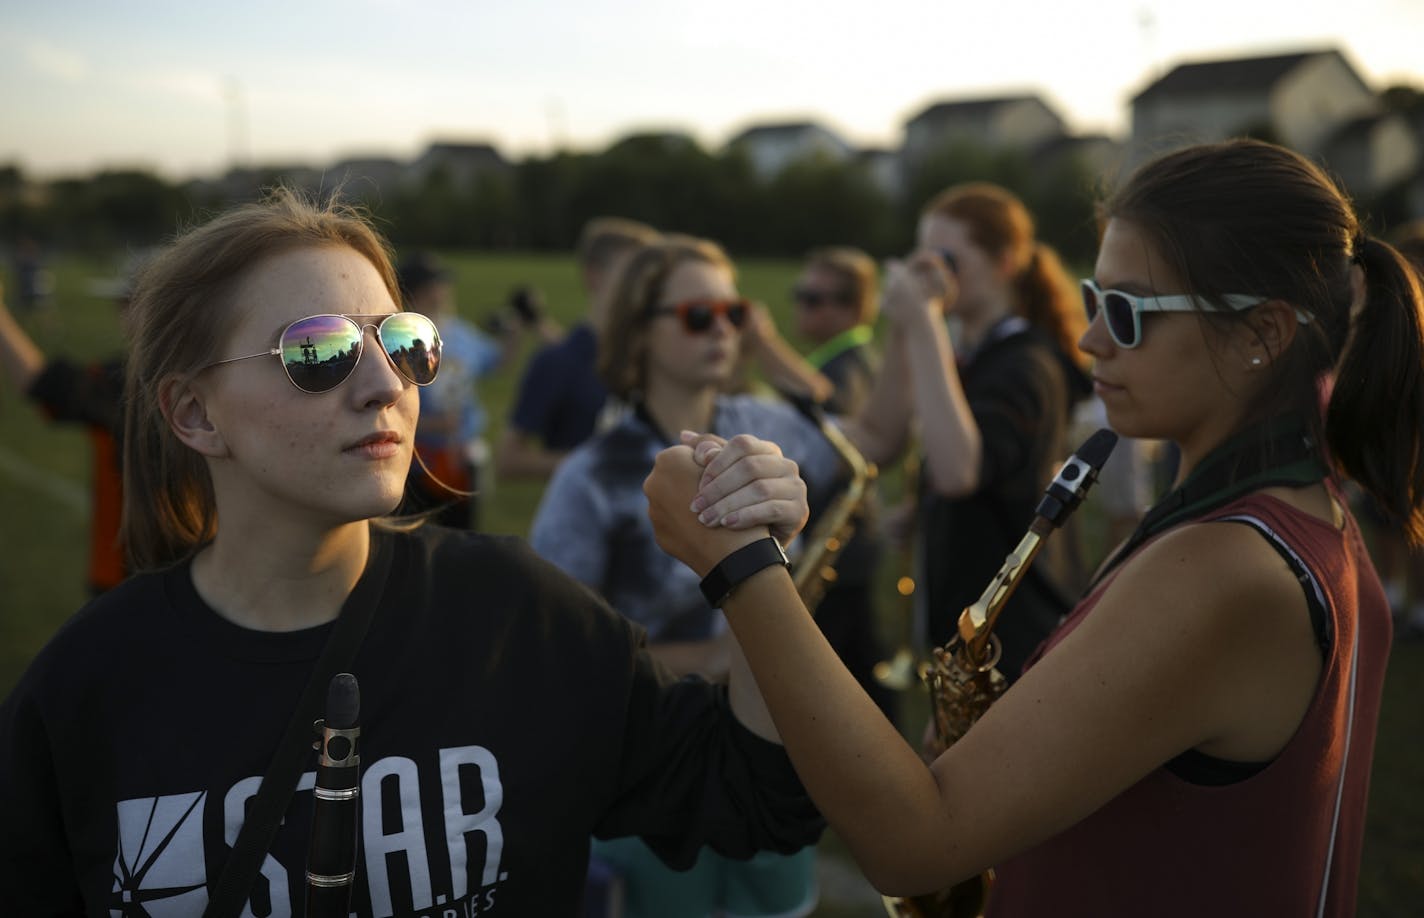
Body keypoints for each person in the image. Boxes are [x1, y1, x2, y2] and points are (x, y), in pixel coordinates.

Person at [644, 138, 1420, 916]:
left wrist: (740, 564)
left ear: (1262, 334)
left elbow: (915, 844)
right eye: (1093, 300)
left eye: (1126, 312)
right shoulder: (1307, 515)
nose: (1090, 339)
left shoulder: (1224, 565)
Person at [0, 189, 826, 915]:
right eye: (317, 352)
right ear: (194, 415)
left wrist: (754, 563)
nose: (387, 386)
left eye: (403, 343)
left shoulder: (516, 618)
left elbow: (754, 793)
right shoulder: (85, 693)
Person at [529, 235, 841, 918]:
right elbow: (551, 658)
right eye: (699, 315)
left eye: (734, 312)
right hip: (657, 769)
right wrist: (712, 655)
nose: (725, 330)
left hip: (777, 735)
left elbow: (865, 449)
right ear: (638, 330)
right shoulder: (592, 474)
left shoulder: (762, 424)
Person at [842, 183, 1092, 680]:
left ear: (1006, 261)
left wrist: (924, 320)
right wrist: (927, 509)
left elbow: (960, 471)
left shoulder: (1027, 364)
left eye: (948, 259)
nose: (934, 274)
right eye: (924, 257)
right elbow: (987, 467)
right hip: (975, 625)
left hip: (1016, 636)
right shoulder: (977, 354)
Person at [494, 217, 660, 480]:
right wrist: (598, 460)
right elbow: (509, 460)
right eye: (632, 273)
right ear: (594, 275)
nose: (646, 286)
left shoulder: (656, 357)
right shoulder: (557, 362)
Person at [0, 275, 127, 594]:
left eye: (127, 303)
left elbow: (41, 384)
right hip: (203, 574)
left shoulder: (123, 382)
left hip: (128, 572)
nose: (120, 313)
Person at [397, 251, 518, 530]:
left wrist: (514, 332)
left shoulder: (461, 332)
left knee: (462, 537)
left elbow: (498, 361)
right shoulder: (399, 340)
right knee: (414, 539)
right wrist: (428, 424)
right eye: (432, 288)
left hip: (461, 460)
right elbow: (388, 409)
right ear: (412, 294)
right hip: (417, 464)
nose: (441, 293)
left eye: (442, 286)